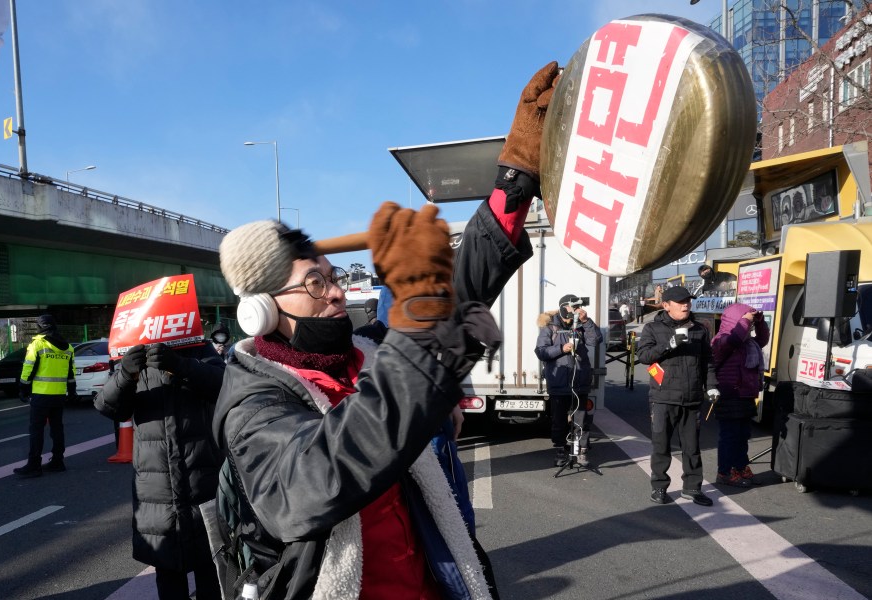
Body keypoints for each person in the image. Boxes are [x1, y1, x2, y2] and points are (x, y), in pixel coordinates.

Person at [211, 61, 559, 600]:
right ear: (260, 310)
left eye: (333, 278)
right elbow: (319, 478)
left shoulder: (367, 351)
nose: (333, 293)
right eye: (313, 283)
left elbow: (454, 301)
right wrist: (418, 308)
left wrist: (513, 186)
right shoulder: (252, 401)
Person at [94, 340, 225, 600]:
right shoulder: (134, 352)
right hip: (156, 491)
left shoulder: (198, 346)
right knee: (168, 577)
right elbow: (107, 406)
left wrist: (182, 365)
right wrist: (126, 373)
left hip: (204, 480)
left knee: (213, 572)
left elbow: (226, 385)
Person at [637, 286, 718, 506]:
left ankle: (692, 488)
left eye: (688, 301)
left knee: (692, 448)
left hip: (691, 398)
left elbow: (707, 361)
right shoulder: (653, 328)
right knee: (661, 446)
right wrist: (670, 344)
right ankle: (660, 488)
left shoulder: (699, 329)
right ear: (666, 305)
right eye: (680, 302)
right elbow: (644, 356)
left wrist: (711, 385)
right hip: (663, 398)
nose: (686, 305)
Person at [535, 295, 603, 467]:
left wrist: (586, 320)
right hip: (559, 382)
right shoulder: (550, 328)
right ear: (565, 308)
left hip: (580, 380)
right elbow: (541, 352)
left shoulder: (580, 325)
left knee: (582, 418)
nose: (576, 310)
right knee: (559, 419)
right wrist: (561, 348)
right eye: (574, 307)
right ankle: (560, 450)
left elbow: (595, 340)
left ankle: (581, 450)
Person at [710, 303, 769, 487]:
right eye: (745, 320)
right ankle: (724, 472)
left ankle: (740, 467)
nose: (749, 325)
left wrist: (759, 322)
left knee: (743, 434)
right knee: (730, 435)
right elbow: (734, 340)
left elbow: (763, 339)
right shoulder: (721, 340)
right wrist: (745, 319)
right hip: (729, 393)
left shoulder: (749, 342)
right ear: (734, 320)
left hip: (745, 394)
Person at [13, 314, 76, 478]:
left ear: (40, 327)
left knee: (36, 430)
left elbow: (28, 368)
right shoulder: (68, 347)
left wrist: (23, 389)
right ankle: (58, 461)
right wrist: (72, 391)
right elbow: (71, 373)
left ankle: (34, 465)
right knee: (57, 429)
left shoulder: (38, 344)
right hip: (59, 395)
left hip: (41, 394)